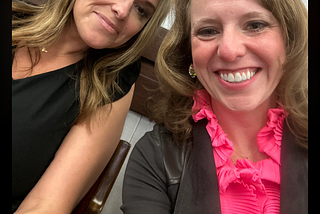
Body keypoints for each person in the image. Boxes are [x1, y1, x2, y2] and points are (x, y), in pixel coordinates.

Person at [121, 0, 308, 213]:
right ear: (189, 52)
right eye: (208, 31)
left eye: (255, 25)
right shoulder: (154, 157)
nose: (229, 51)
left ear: (289, 39)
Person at [12, 0, 170, 213]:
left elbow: (46, 205)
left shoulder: (111, 83)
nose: (122, 11)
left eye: (141, 10)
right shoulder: (15, 17)